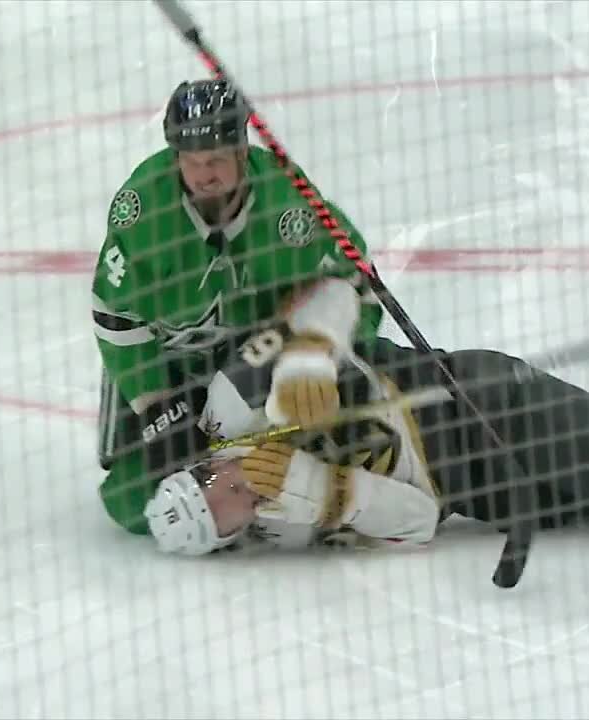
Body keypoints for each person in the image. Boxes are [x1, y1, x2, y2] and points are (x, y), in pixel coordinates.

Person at [140, 312, 589, 555]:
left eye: (218, 497)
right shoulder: (281, 520)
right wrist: (330, 491)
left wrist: (297, 397)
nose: (240, 508)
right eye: (229, 529)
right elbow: (419, 520)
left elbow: (330, 342)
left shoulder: (236, 402)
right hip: (477, 486)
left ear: (203, 469)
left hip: (478, 405)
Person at [93, 78, 385, 533]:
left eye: (214, 160)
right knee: (133, 504)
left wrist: (321, 354)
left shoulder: (289, 208)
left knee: (341, 444)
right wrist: (158, 406)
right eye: (190, 161)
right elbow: (116, 319)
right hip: (171, 367)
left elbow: (355, 283)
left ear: (242, 152)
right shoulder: (142, 213)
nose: (202, 174)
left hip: (262, 357)